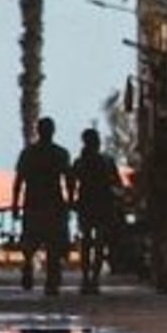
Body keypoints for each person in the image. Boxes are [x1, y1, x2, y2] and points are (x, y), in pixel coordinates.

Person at [12, 117, 73, 295]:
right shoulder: (60, 153)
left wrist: (16, 203)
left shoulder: (29, 153)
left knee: (31, 242)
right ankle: (51, 280)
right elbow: (69, 179)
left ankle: (30, 269)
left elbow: (19, 181)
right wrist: (69, 201)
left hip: (34, 202)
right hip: (52, 202)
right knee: (53, 242)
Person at [71, 128, 124, 296]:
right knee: (99, 243)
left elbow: (72, 182)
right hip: (102, 204)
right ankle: (93, 278)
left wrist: (73, 201)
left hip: (87, 204)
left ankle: (88, 277)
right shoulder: (106, 161)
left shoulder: (80, 162)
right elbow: (117, 184)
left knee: (87, 242)